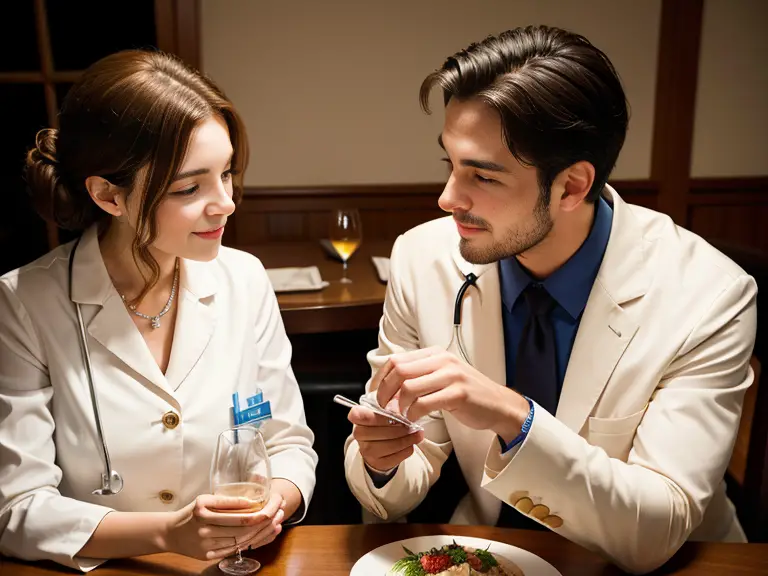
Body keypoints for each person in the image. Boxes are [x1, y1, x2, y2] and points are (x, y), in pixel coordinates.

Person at [343, 25, 757, 574]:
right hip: (488, 556)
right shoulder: (422, 259)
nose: (447, 199)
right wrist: (381, 460)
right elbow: (403, 471)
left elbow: (657, 531)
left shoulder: (709, 295)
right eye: (450, 164)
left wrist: (513, 416)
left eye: (483, 176)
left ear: (572, 187)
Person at [0, 49, 317, 571]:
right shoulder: (25, 304)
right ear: (108, 196)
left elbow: (286, 443)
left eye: (227, 174)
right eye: (190, 187)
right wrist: (169, 533)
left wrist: (275, 501)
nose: (226, 202)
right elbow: (18, 507)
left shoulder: (244, 280)